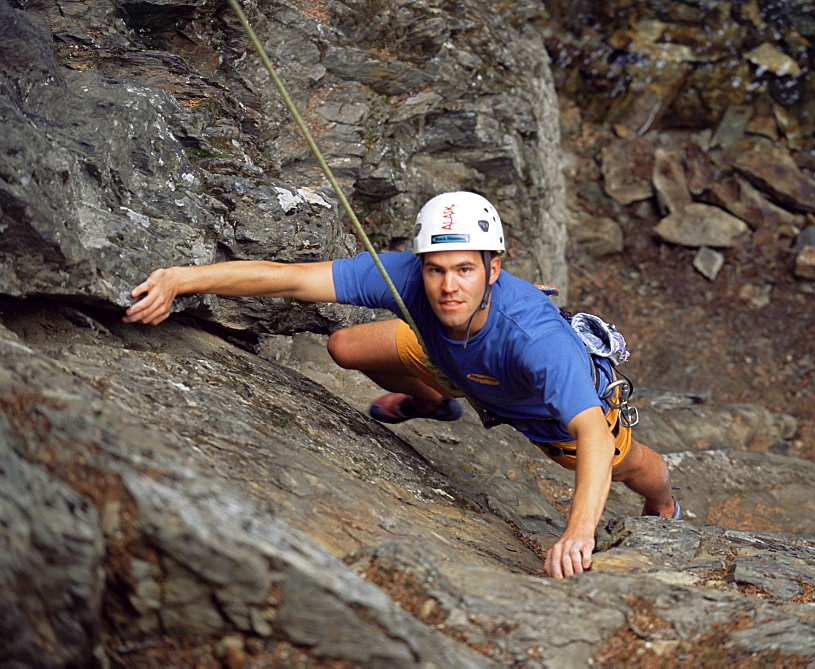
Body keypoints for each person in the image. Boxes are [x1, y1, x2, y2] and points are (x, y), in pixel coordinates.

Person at [123, 191, 680, 578]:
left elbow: (591, 432)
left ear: (494, 267)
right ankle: (431, 402)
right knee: (348, 347)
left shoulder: (536, 341)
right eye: (436, 269)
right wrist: (182, 280)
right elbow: (292, 278)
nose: (447, 287)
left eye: (464, 269)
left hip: (534, 403)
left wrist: (578, 532)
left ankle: (667, 505)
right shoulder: (407, 277)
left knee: (631, 465)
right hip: (454, 363)